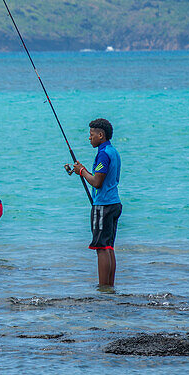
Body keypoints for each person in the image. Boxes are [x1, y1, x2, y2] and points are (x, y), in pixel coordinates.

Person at [65, 118, 121, 289]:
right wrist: (82, 170)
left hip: (103, 206)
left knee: (101, 248)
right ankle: (109, 288)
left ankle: (103, 288)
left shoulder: (103, 154)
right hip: (114, 203)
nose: (89, 138)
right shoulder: (112, 151)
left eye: (91, 135)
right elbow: (99, 177)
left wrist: (81, 172)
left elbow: (97, 182)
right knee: (108, 246)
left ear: (101, 135)